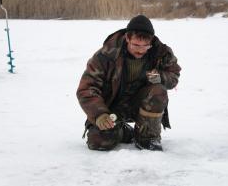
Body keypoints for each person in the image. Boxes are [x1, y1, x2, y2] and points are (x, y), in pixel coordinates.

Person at [77, 14, 181, 151]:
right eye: (136, 45)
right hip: (111, 108)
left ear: (151, 42)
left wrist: (161, 77)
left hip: (142, 104)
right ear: (127, 38)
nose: (140, 50)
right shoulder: (105, 56)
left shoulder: (161, 52)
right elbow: (87, 88)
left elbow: (174, 75)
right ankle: (123, 131)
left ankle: (147, 138)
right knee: (99, 142)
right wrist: (99, 114)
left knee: (158, 90)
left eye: (145, 46)